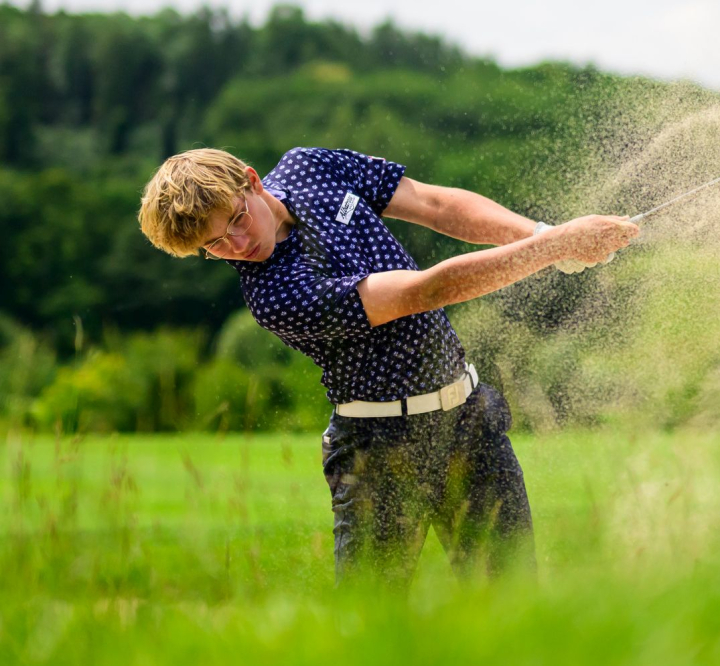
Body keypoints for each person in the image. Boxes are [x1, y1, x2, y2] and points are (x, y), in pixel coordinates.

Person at [138, 146, 638, 588]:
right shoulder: (275, 293)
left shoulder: (311, 166)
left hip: (469, 422)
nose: (237, 246)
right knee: (372, 630)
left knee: (512, 604)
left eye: (236, 220)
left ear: (252, 181)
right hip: (379, 452)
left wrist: (540, 234)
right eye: (214, 246)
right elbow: (424, 292)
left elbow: (433, 204)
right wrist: (553, 247)